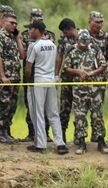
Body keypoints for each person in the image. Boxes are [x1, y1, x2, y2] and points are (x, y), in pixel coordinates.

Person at [24, 20, 68, 155]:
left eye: (30, 29)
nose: (29, 31)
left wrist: (28, 82)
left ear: (37, 30)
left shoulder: (33, 45)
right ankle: (60, 144)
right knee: (53, 113)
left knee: (38, 113)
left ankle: (41, 145)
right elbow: (54, 62)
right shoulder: (52, 44)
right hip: (50, 81)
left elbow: (28, 68)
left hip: (37, 82)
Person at [62, 29, 108, 155]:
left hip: (94, 88)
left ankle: (101, 141)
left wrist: (91, 73)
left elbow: (103, 66)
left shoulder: (95, 50)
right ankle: (82, 143)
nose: (84, 46)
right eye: (82, 43)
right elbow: (66, 68)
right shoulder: (72, 51)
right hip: (79, 90)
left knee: (97, 115)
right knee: (80, 115)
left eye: (86, 43)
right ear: (77, 41)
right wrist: (78, 72)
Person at [21, 9, 55, 143]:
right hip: (30, 74)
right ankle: (32, 133)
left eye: (40, 19)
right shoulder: (24, 35)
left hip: (44, 75)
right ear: (30, 19)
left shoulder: (50, 35)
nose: (37, 20)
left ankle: (45, 134)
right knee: (30, 104)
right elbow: (23, 54)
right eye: (35, 19)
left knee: (46, 106)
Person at [86, 11, 108, 144]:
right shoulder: (83, 35)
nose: (99, 24)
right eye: (97, 22)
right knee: (83, 106)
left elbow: (107, 55)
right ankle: (80, 136)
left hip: (99, 77)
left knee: (98, 105)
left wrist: (98, 70)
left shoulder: (106, 37)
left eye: (101, 22)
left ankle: (97, 135)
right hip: (84, 77)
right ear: (89, 21)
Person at [0, 9, 24, 144]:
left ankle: (5, 131)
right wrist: (2, 76)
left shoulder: (12, 38)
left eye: (16, 23)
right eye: (11, 23)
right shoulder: (1, 37)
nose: (14, 25)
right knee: (4, 104)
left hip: (15, 78)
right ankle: (1, 132)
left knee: (12, 106)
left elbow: (22, 55)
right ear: (3, 22)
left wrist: (18, 37)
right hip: (5, 78)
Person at [55, 18, 77, 143]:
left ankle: (79, 137)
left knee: (80, 109)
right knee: (64, 107)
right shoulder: (63, 40)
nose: (64, 34)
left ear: (69, 29)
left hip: (81, 79)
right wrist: (56, 75)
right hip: (67, 78)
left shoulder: (85, 37)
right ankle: (62, 134)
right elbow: (59, 57)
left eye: (65, 32)